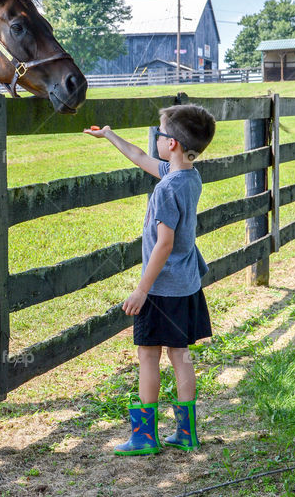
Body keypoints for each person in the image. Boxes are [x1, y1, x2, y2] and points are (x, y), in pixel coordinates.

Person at [84, 104, 217, 455]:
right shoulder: (189, 176)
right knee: (180, 355)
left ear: (171, 144)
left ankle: (144, 436)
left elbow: (165, 242)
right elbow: (141, 156)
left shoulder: (165, 190)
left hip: (160, 289)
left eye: (159, 134)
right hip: (186, 284)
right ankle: (186, 433)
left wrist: (142, 289)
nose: (155, 139)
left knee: (147, 354)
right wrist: (110, 135)